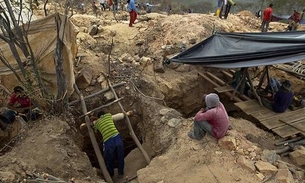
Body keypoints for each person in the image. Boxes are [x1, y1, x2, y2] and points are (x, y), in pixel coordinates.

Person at [92, 111, 128, 177]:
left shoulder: (97, 123)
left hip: (108, 141)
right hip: (117, 137)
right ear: (104, 114)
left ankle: (111, 174)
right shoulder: (108, 116)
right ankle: (120, 173)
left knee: (109, 158)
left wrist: (94, 119)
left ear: (98, 117)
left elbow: (96, 132)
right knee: (120, 155)